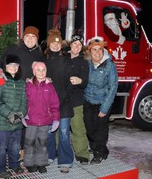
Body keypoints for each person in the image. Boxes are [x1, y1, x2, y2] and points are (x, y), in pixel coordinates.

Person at [0, 25, 45, 161]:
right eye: (27, 36)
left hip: (32, 94)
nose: (30, 39)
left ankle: (23, 150)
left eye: (33, 36)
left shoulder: (39, 53)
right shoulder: (13, 49)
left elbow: (43, 70)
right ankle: (12, 152)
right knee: (14, 123)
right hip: (13, 92)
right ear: (23, 37)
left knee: (28, 123)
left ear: (37, 39)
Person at [83, 36, 118, 165]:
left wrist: (105, 107)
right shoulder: (87, 64)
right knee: (90, 127)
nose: (97, 52)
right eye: (94, 50)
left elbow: (113, 87)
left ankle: (98, 153)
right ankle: (99, 148)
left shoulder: (109, 65)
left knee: (101, 129)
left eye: (99, 49)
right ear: (90, 51)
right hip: (88, 100)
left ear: (103, 50)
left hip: (103, 101)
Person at [22, 61, 60, 174]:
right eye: (38, 70)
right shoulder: (28, 85)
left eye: (43, 70)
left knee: (42, 143)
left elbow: (55, 104)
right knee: (29, 143)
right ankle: (29, 163)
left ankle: (41, 163)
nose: (41, 72)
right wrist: (24, 114)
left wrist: (56, 119)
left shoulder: (50, 86)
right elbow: (23, 101)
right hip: (31, 121)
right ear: (34, 71)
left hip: (44, 120)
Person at [45, 29, 74, 173]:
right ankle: (50, 155)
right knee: (49, 132)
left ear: (61, 45)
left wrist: (64, 98)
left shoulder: (67, 60)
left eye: (58, 44)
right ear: (49, 45)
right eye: (53, 43)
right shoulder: (45, 62)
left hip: (64, 103)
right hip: (48, 105)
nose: (55, 46)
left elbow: (70, 82)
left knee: (63, 133)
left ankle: (65, 160)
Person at [0, 54, 27, 178]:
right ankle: (0, 169)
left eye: (16, 65)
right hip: (3, 121)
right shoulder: (0, 81)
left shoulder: (21, 83)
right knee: (1, 147)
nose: (13, 67)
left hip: (17, 121)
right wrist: (10, 115)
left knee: (15, 145)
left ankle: (15, 164)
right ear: (5, 66)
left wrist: (21, 114)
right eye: (10, 64)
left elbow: (24, 101)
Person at [65, 33, 90, 165]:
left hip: (77, 100)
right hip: (62, 99)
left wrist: (80, 80)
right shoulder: (63, 58)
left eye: (79, 44)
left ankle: (82, 154)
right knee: (61, 128)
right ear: (70, 45)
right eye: (75, 44)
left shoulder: (84, 61)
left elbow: (85, 81)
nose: (77, 46)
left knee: (78, 127)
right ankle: (59, 150)